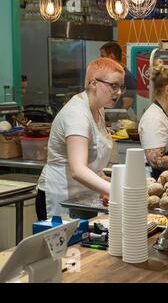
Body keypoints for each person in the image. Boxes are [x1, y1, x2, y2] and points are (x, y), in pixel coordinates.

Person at [35, 58, 125, 220]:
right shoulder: (77, 114)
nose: (118, 92)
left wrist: (109, 183)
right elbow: (78, 170)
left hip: (83, 198)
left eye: (121, 87)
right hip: (61, 197)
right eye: (113, 86)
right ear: (93, 84)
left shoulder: (98, 110)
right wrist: (116, 191)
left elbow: (91, 163)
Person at [100, 42, 138, 120]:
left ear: (111, 57)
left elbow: (127, 104)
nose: (101, 60)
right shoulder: (111, 76)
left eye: (103, 56)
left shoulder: (127, 77)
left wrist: (115, 122)